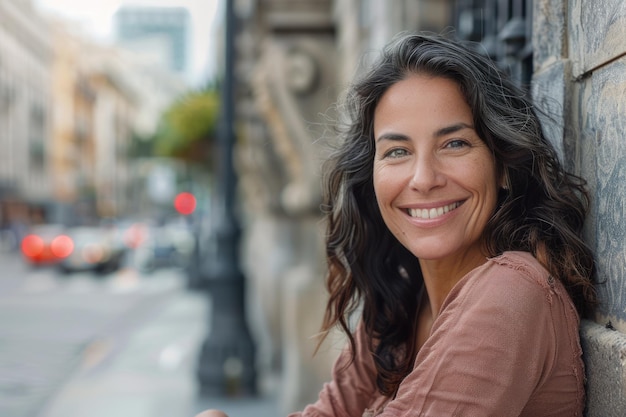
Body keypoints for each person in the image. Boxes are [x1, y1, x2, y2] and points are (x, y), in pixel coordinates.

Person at [195, 32, 596, 417]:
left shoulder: (512, 292)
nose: (423, 178)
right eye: (397, 151)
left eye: (454, 144)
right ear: (372, 176)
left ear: (503, 167)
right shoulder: (399, 304)